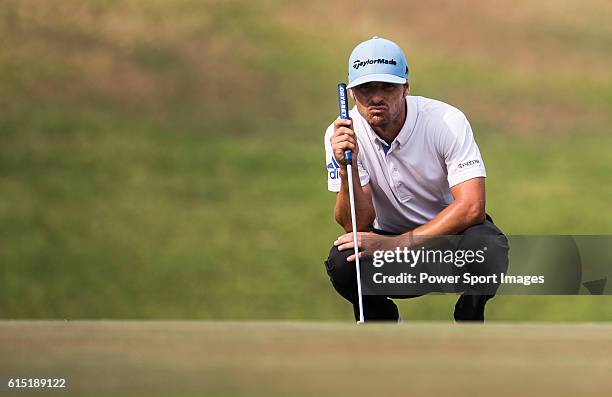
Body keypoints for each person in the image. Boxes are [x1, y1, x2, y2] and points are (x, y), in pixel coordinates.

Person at [323, 36, 508, 322]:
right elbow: (356, 225)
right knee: (343, 260)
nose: (376, 97)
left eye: (387, 86)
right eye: (365, 88)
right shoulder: (341, 134)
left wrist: (397, 244)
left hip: (448, 242)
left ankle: (469, 324)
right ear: (351, 93)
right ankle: (380, 324)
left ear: (405, 87)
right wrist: (347, 166)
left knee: (488, 249)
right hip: (388, 247)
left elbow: (472, 207)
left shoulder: (445, 120)